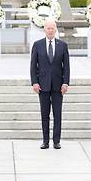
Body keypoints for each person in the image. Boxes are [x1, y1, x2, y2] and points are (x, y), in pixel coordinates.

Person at [30, 19, 70, 149]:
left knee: (57, 114)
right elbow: (33, 66)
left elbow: (67, 67)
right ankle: (45, 140)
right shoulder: (37, 45)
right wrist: (34, 82)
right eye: (48, 28)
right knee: (44, 114)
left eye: (53, 28)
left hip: (58, 86)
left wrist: (65, 83)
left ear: (56, 29)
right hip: (43, 85)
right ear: (45, 30)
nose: (50, 30)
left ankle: (56, 141)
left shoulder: (62, 45)